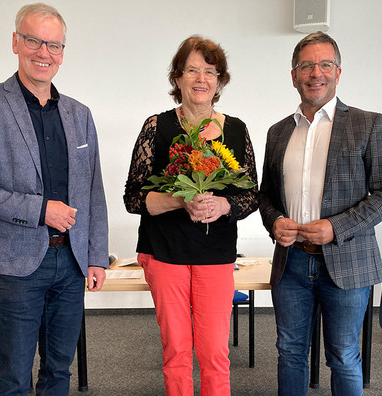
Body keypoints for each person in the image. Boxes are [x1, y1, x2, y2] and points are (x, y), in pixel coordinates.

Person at [0, 3, 108, 395]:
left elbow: (93, 190)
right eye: (34, 40)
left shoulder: (79, 113)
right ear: (15, 42)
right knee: (13, 376)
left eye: (54, 45)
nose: (44, 53)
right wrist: (40, 211)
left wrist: (95, 255)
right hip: (17, 263)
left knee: (59, 371)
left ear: (62, 53)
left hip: (71, 264)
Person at [259, 32, 382, 396]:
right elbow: (266, 197)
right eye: (306, 65)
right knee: (290, 352)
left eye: (325, 64)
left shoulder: (367, 123)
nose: (315, 73)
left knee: (343, 355)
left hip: (347, 262)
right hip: (290, 263)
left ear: (338, 72)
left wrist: (336, 227)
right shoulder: (278, 133)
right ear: (294, 75)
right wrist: (275, 222)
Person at [124, 35, 258, 396]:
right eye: (192, 70)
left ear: (219, 81)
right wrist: (180, 200)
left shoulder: (236, 130)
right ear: (178, 78)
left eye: (210, 72)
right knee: (177, 351)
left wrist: (223, 205)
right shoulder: (157, 127)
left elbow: (250, 195)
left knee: (215, 352)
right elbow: (133, 197)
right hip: (164, 252)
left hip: (215, 255)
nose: (201, 79)